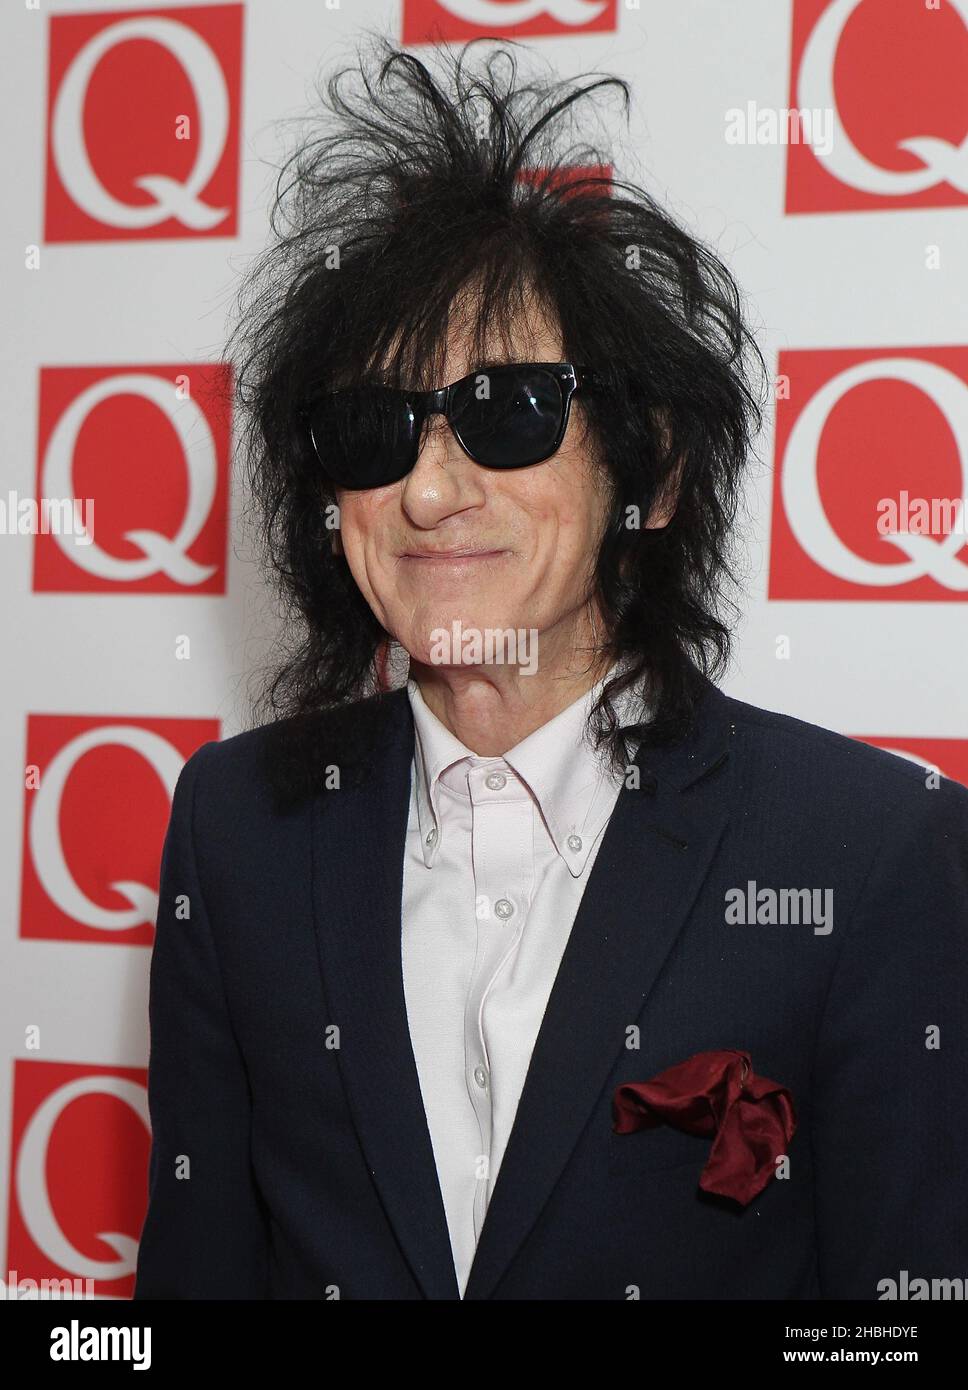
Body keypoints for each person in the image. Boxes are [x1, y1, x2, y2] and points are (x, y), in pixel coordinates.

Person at [133, 37, 968, 1301]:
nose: (424, 488)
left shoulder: (869, 851)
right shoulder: (236, 828)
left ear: (651, 470)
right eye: (373, 430)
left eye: (505, 409)